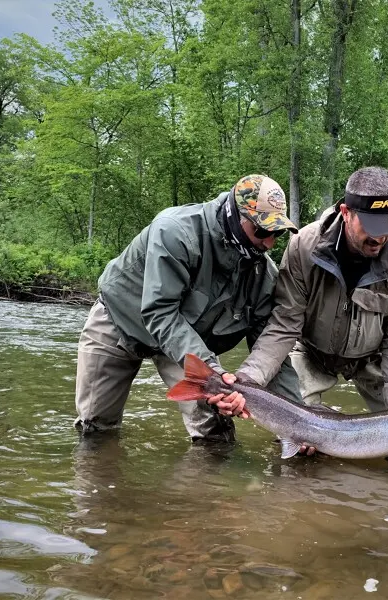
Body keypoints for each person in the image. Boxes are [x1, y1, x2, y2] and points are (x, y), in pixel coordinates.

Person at [74, 174, 300, 442]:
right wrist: (213, 371)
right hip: (120, 322)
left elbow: (271, 350)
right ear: (233, 215)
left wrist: (300, 424)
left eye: (277, 233)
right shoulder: (175, 233)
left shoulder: (263, 277)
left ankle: (206, 483)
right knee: (96, 430)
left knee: (216, 433)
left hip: (186, 343)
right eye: (262, 231)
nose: (269, 243)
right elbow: (160, 313)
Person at [214, 166, 388, 435]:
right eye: (372, 226)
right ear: (346, 213)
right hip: (311, 353)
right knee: (294, 433)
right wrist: (246, 382)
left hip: (375, 360)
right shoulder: (304, 246)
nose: (380, 237)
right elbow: (284, 325)